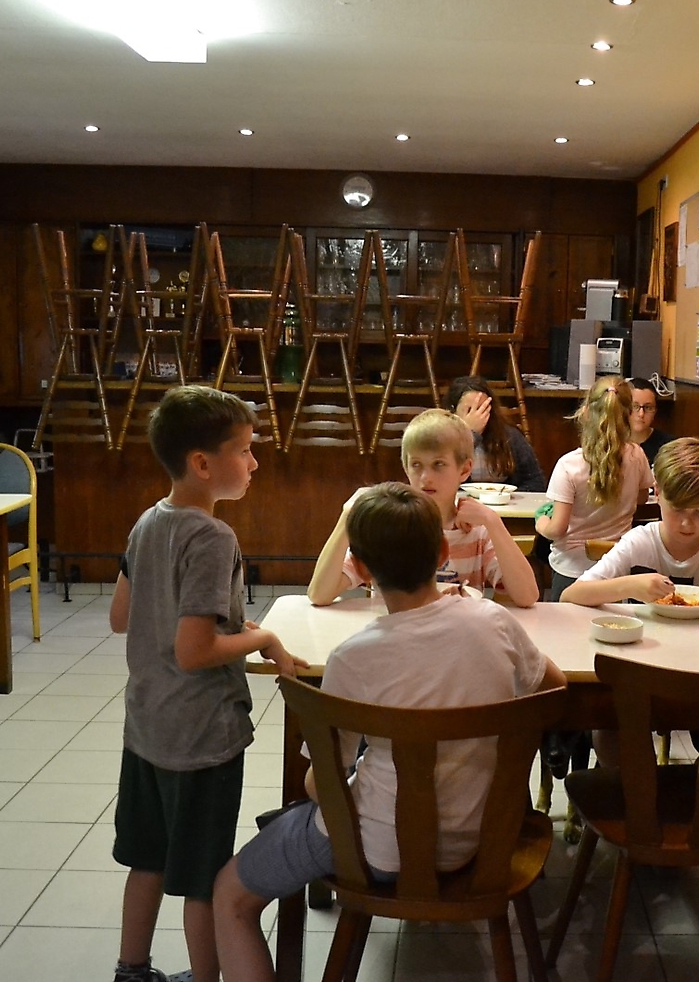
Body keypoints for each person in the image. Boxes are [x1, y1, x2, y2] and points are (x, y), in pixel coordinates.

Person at [213, 482, 566, 982]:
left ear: (361, 567)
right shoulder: (494, 622)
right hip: (481, 842)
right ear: (442, 553)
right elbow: (553, 687)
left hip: (375, 852)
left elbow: (322, 785)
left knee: (230, 896)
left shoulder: (352, 658)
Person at [106, 385, 308, 982]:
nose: (254, 462)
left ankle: (131, 970)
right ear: (202, 463)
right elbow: (194, 651)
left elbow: (121, 617)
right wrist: (263, 638)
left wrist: (227, 627)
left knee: (147, 858)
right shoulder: (213, 537)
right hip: (200, 737)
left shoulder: (148, 521)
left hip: (147, 725)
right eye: (243, 450)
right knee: (202, 876)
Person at [308, 408, 539, 607]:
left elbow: (527, 596)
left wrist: (493, 522)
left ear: (464, 470)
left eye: (438, 464)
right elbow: (319, 595)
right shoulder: (389, 526)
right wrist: (347, 519)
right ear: (405, 467)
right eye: (416, 465)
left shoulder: (477, 531)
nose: (425, 477)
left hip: (457, 636)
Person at [561, 436, 699, 606]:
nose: (687, 524)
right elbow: (570, 595)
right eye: (677, 510)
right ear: (657, 492)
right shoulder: (638, 543)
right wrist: (629, 586)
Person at [536, 375, 653, 600]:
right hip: (615, 568)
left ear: (586, 412)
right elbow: (641, 498)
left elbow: (557, 529)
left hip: (571, 570)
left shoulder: (568, 465)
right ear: (629, 414)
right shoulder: (637, 455)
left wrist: (541, 522)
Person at [446, 375, 546, 492]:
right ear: (453, 411)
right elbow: (445, 482)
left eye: (483, 409)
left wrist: (508, 496)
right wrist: (472, 434)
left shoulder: (509, 435)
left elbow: (536, 481)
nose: (478, 416)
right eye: (470, 410)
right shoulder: (443, 437)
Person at [628, 377, 674, 465]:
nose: (641, 414)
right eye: (635, 406)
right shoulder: (612, 441)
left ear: (655, 411)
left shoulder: (669, 447)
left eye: (648, 407)